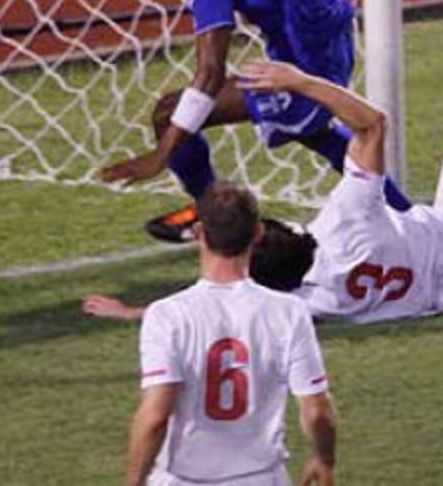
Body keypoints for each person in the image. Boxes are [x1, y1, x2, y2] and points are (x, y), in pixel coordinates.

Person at [87, 59, 443, 326]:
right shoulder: (346, 219)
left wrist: (133, 313)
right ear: (269, 233)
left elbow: (213, 307)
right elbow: (373, 123)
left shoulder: (301, 306)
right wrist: (300, 81)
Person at [98, 0, 411, 244]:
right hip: (319, 21)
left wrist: (159, 156)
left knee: (170, 115)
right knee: (315, 132)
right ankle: (411, 218)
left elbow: (210, 73)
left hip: (309, 50)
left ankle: (213, 216)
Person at [123, 182, 337, 485]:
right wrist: (324, 459)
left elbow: (155, 417)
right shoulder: (289, 312)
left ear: (198, 233)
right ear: (257, 234)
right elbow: (316, 411)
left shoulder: (167, 315)